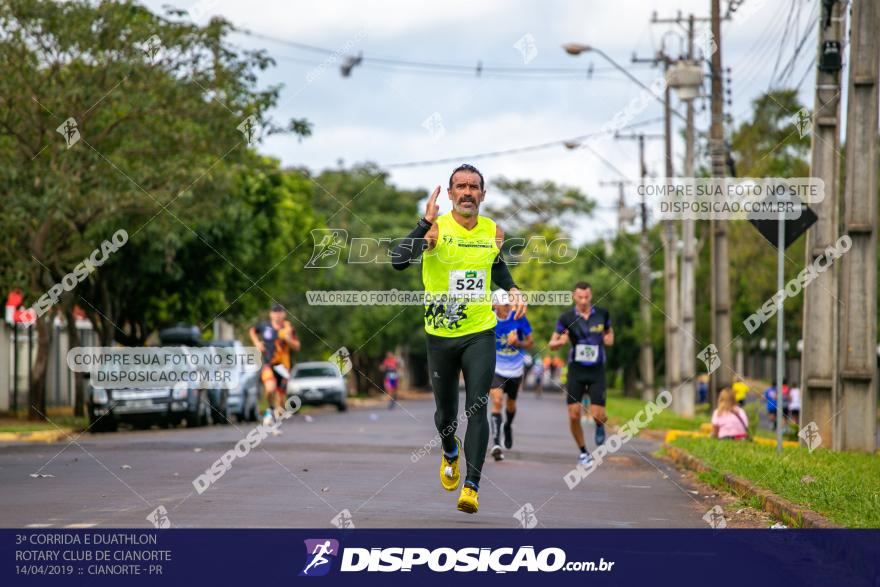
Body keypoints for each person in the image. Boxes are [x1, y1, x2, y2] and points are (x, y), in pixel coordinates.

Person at [391, 163, 525, 514]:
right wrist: (423, 224)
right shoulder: (435, 229)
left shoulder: (493, 231)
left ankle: (472, 486)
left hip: (479, 331)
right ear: (450, 194)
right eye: (460, 186)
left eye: (474, 186)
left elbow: (494, 265)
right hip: (440, 335)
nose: (467, 192)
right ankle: (449, 449)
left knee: (477, 405)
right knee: (446, 414)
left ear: (483, 194)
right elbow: (398, 262)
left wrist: (511, 287)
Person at [548, 282, 614, 467]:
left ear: (590, 296)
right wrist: (560, 342)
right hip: (576, 370)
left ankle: (600, 425)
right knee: (574, 414)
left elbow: (609, 334)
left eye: (587, 297)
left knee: (598, 415)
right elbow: (551, 343)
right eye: (580, 297)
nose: (584, 301)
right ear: (574, 297)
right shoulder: (566, 317)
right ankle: (584, 451)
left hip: (596, 370)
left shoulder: (602, 314)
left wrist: (608, 339)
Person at [489, 290, 533, 461]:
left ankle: (508, 426)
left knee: (511, 405)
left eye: (508, 304)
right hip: (497, 368)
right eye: (504, 304)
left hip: (515, 369)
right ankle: (496, 444)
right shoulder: (489, 319)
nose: (507, 307)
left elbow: (530, 342)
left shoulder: (518, 318)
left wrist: (518, 342)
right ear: (494, 305)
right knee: (497, 401)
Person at [249, 303, 300, 425]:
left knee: (281, 399)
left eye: (280, 312)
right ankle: (270, 409)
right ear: (271, 314)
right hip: (268, 363)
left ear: (284, 314)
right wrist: (257, 343)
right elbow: (252, 330)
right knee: (270, 388)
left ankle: (276, 412)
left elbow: (297, 346)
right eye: (275, 312)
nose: (277, 314)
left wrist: (288, 339)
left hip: (283, 366)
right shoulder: (265, 326)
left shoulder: (288, 328)